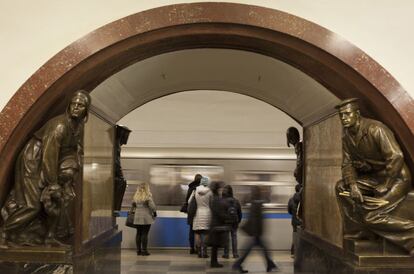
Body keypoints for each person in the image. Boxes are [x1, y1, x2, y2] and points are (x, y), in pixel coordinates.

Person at [0, 90, 91, 246]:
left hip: (51, 163)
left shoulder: (78, 126)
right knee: (32, 205)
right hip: (32, 160)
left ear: (86, 110)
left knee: (60, 200)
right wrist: (53, 183)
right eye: (73, 104)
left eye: (80, 105)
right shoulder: (60, 127)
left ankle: (49, 237)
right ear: (69, 106)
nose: (76, 108)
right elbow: (50, 155)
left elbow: (76, 150)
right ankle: (4, 232)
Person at [335, 98, 414, 255]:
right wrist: (353, 185)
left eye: (347, 114)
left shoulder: (376, 129)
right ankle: (360, 231)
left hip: (396, 178)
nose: (344, 118)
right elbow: (347, 164)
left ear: (357, 114)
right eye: (341, 116)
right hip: (374, 178)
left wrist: (387, 184)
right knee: (341, 187)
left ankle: (411, 238)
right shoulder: (346, 136)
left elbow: (396, 156)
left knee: (371, 215)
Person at [233, 186, 278, 273]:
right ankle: (238, 264)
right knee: (256, 248)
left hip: (256, 231)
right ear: (258, 193)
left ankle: (269, 264)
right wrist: (257, 232)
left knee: (257, 248)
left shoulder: (255, 202)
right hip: (256, 231)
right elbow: (255, 219)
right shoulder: (257, 203)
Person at [188, 176, 212, 258]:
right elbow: (212, 203)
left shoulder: (195, 190)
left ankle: (199, 252)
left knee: (197, 233)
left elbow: (189, 201)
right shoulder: (210, 191)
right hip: (207, 213)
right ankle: (204, 252)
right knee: (205, 233)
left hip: (197, 213)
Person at [208, 181, 229, 268]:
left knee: (215, 245)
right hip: (216, 225)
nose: (222, 191)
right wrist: (226, 217)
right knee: (215, 245)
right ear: (217, 190)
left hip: (215, 224)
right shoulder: (216, 199)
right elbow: (219, 212)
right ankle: (214, 262)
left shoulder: (214, 198)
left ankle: (214, 261)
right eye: (220, 189)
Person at [132, 182, 156, 256]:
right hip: (146, 217)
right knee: (145, 234)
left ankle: (138, 250)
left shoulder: (135, 197)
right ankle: (144, 251)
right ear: (147, 188)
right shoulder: (148, 196)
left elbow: (133, 206)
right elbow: (152, 207)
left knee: (138, 233)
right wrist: (154, 213)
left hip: (137, 217)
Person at [181, 174, 202, 254]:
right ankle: (198, 248)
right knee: (198, 231)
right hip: (198, 212)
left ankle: (191, 248)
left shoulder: (190, 188)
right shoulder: (200, 189)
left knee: (191, 231)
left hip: (191, 212)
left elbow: (187, 200)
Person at [222, 185, 242, 259]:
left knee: (226, 238)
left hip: (226, 222)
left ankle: (226, 254)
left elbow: (221, 212)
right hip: (234, 221)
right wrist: (239, 220)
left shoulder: (223, 201)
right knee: (234, 237)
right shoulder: (236, 201)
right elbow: (239, 212)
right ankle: (235, 254)